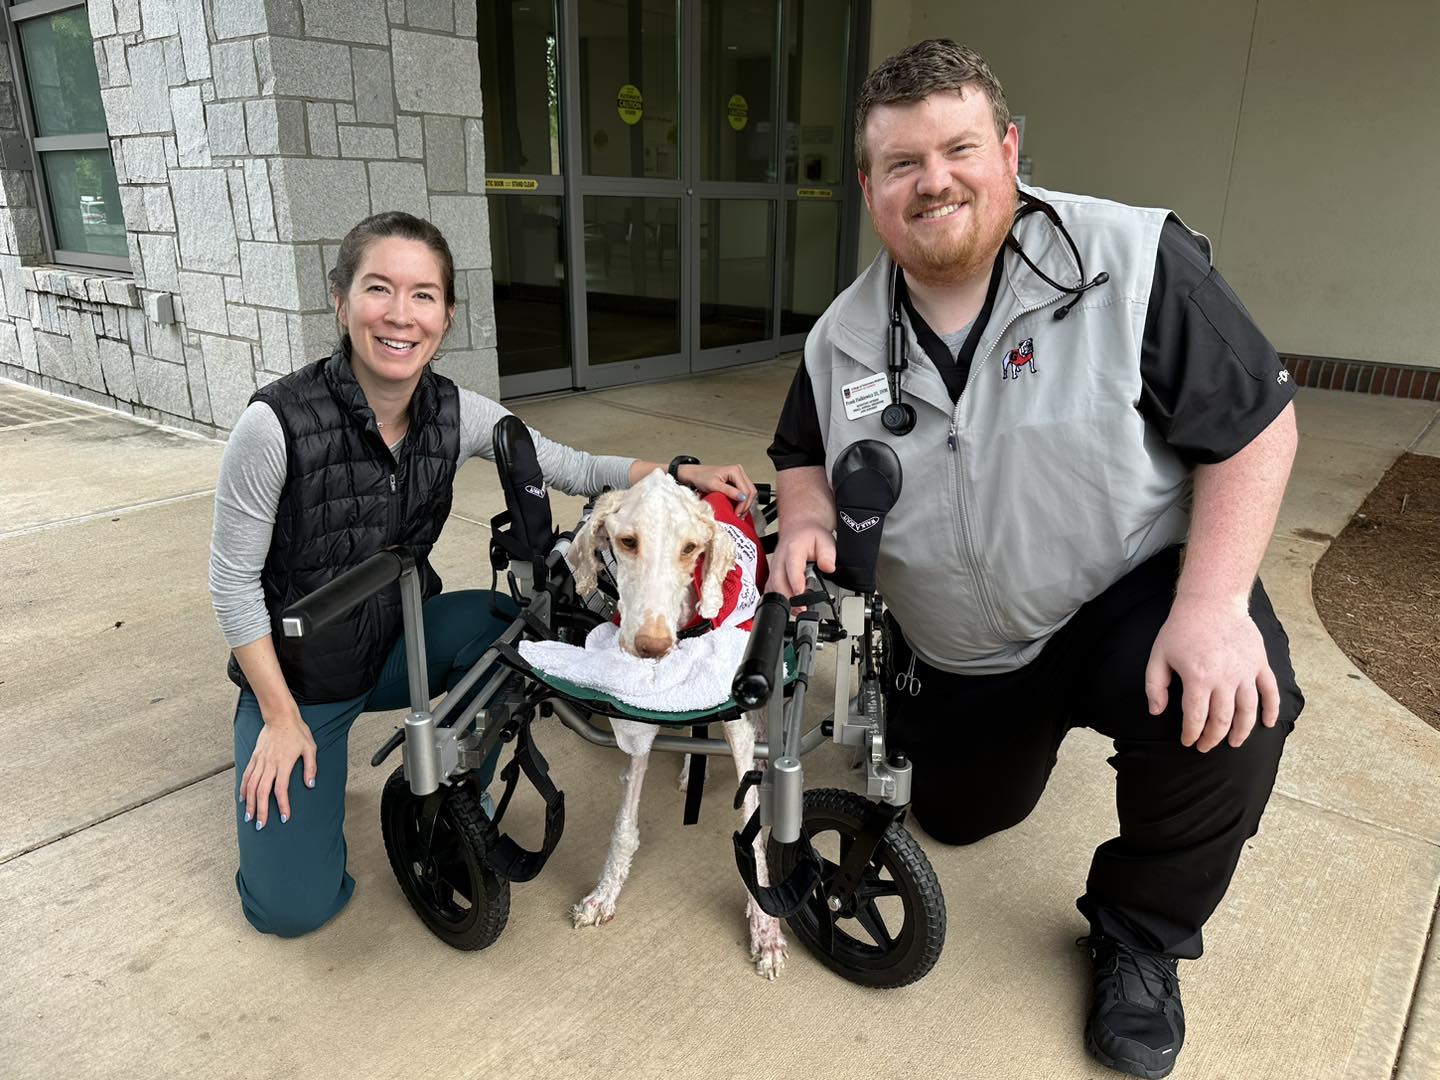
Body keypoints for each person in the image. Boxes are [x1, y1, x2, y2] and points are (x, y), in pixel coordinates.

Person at [767, 39, 1303, 1079]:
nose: (936, 181)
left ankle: (1140, 939)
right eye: (902, 165)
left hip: (1125, 592)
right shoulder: (840, 340)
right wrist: (800, 519)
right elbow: (801, 452)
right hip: (960, 641)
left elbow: (1253, 428)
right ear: (870, 189)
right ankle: (1025, 745)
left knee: (1229, 708)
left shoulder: (1131, 259)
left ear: (1008, 149)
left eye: (958, 148)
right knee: (958, 820)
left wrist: (1214, 604)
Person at [209, 211, 755, 939]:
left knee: (514, 631)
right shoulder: (274, 424)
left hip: (400, 637)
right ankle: (308, 762)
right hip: (301, 675)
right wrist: (278, 717)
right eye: (379, 289)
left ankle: (456, 774)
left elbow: (573, 466)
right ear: (340, 301)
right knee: (292, 910)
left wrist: (682, 473)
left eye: (423, 295)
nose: (401, 315)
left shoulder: (457, 412)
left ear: (446, 315)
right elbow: (232, 584)